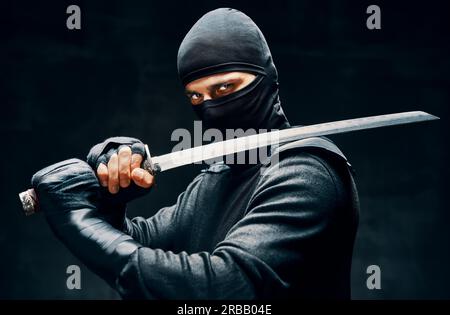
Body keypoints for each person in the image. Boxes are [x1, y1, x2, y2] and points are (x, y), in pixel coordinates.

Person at [31, 8, 359, 299]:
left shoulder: (307, 174)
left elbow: (225, 288)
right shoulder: (220, 176)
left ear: (266, 78)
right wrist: (107, 206)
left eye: (225, 89)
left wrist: (81, 223)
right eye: (196, 98)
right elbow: (139, 244)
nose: (211, 109)